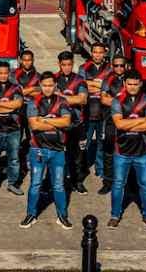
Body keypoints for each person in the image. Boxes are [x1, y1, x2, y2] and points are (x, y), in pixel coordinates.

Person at [20, 72, 73, 230]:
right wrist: (56, 122)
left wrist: (44, 119)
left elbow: (67, 122)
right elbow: (34, 125)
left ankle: (62, 216)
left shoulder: (62, 101)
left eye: (50, 85)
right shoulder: (33, 102)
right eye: (44, 85)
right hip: (38, 150)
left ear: (55, 85)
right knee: (35, 184)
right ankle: (31, 214)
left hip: (58, 150)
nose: (48, 88)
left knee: (58, 185)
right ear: (40, 86)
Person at [108, 71, 146, 230]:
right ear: (124, 84)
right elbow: (118, 124)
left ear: (141, 84)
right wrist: (141, 120)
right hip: (121, 151)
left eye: (135, 84)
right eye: (129, 84)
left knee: (145, 184)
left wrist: (127, 123)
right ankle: (115, 215)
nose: (132, 87)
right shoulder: (117, 101)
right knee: (118, 184)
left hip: (142, 152)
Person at [0, 60, 25, 195]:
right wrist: (10, 107)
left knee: (14, 159)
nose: (3, 75)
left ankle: (12, 183)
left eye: (5, 73)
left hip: (13, 129)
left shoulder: (16, 87)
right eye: (0, 73)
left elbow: (18, 104)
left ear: (9, 73)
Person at [52, 51, 88, 193]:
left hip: (77, 124)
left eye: (69, 64)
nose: (67, 67)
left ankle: (77, 182)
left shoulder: (80, 80)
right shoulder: (53, 79)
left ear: (73, 64)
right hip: (59, 124)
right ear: (59, 64)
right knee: (57, 155)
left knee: (78, 156)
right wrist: (72, 99)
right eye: (64, 65)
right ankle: (55, 182)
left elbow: (82, 99)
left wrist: (61, 97)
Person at [78, 43, 111, 191]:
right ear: (91, 53)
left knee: (101, 143)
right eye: (95, 52)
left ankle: (100, 168)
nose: (98, 55)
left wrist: (92, 84)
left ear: (104, 53)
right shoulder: (83, 68)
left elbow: (109, 88)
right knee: (85, 144)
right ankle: (83, 168)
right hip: (88, 112)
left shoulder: (109, 69)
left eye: (100, 52)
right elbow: (82, 86)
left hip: (104, 113)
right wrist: (100, 85)